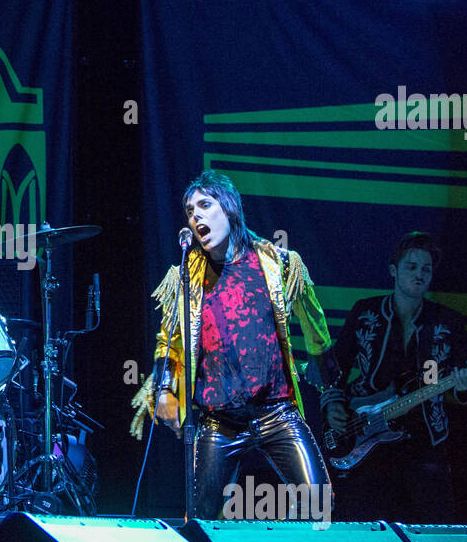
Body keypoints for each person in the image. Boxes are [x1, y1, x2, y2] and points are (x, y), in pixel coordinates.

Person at [129, 171, 335, 520]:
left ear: (230, 208)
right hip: (219, 423)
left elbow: (314, 321)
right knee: (203, 522)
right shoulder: (185, 277)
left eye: (205, 205)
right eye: (190, 211)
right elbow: (169, 341)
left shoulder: (278, 264)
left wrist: (324, 365)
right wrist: (163, 391)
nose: (195, 216)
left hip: (277, 412)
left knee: (320, 507)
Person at [321, 232, 467, 523]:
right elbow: (334, 368)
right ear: (394, 271)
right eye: (411, 267)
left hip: (426, 439)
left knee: (433, 531)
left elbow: (462, 376)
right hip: (364, 435)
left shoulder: (448, 321)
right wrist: (332, 406)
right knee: (365, 529)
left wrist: (465, 385)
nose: (419, 275)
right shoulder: (365, 311)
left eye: (426, 269)